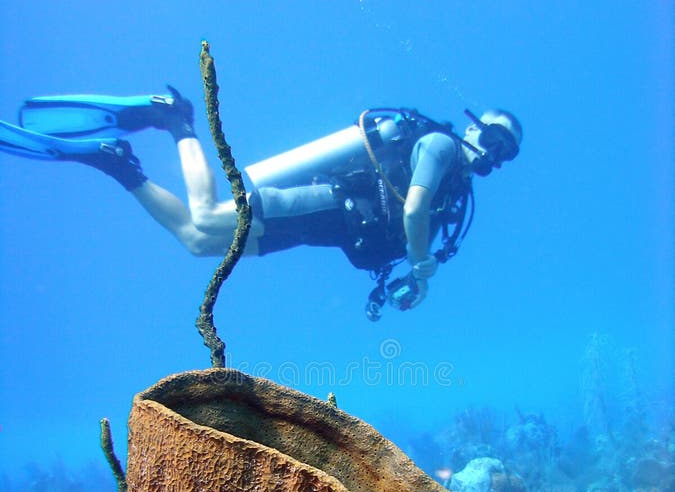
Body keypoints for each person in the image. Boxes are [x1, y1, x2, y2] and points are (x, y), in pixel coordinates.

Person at [0, 89, 522, 318]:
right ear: (475, 125)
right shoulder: (442, 146)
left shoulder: (460, 194)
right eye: (496, 137)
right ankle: (176, 120)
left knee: (196, 242)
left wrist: (412, 274)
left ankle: (117, 162)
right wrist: (424, 273)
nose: (496, 153)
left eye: (507, 152)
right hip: (320, 202)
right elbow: (411, 212)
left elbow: (411, 230)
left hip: (320, 230)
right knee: (205, 216)